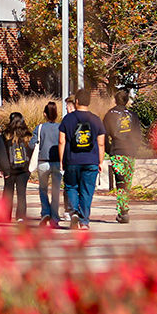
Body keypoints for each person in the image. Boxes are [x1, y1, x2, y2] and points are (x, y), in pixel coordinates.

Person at [59, 87, 106, 229]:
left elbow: (61, 141)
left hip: (72, 160)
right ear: (89, 102)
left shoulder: (68, 119)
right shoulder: (96, 120)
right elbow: (101, 142)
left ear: (77, 101)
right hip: (91, 160)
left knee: (71, 187)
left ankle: (74, 212)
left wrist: (62, 161)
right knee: (87, 191)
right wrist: (100, 161)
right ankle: (84, 221)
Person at [104, 89, 143, 224]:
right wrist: (135, 148)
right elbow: (138, 135)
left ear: (115, 100)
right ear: (127, 101)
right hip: (130, 152)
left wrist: (109, 149)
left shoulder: (109, 115)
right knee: (127, 181)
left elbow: (103, 135)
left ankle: (123, 210)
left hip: (117, 151)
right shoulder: (133, 115)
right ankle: (124, 209)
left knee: (120, 181)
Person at [29, 101, 63, 227]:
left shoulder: (40, 128)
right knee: (55, 191)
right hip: (57, 162)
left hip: (43, 162)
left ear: (45, 114)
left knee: (43, 188)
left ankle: (45, 212)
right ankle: (54, 218)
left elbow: (32, 144)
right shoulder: (61, 127)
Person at [1, 111, 32, 223]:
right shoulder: (28, 135)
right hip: (24, 168)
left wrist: (2, 167)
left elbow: (2, 152)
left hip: (10, 168)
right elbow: (31, 150)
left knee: (8, 192)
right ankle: (21, 216)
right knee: (21, 193)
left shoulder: (6, 134)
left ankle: (5, 216)